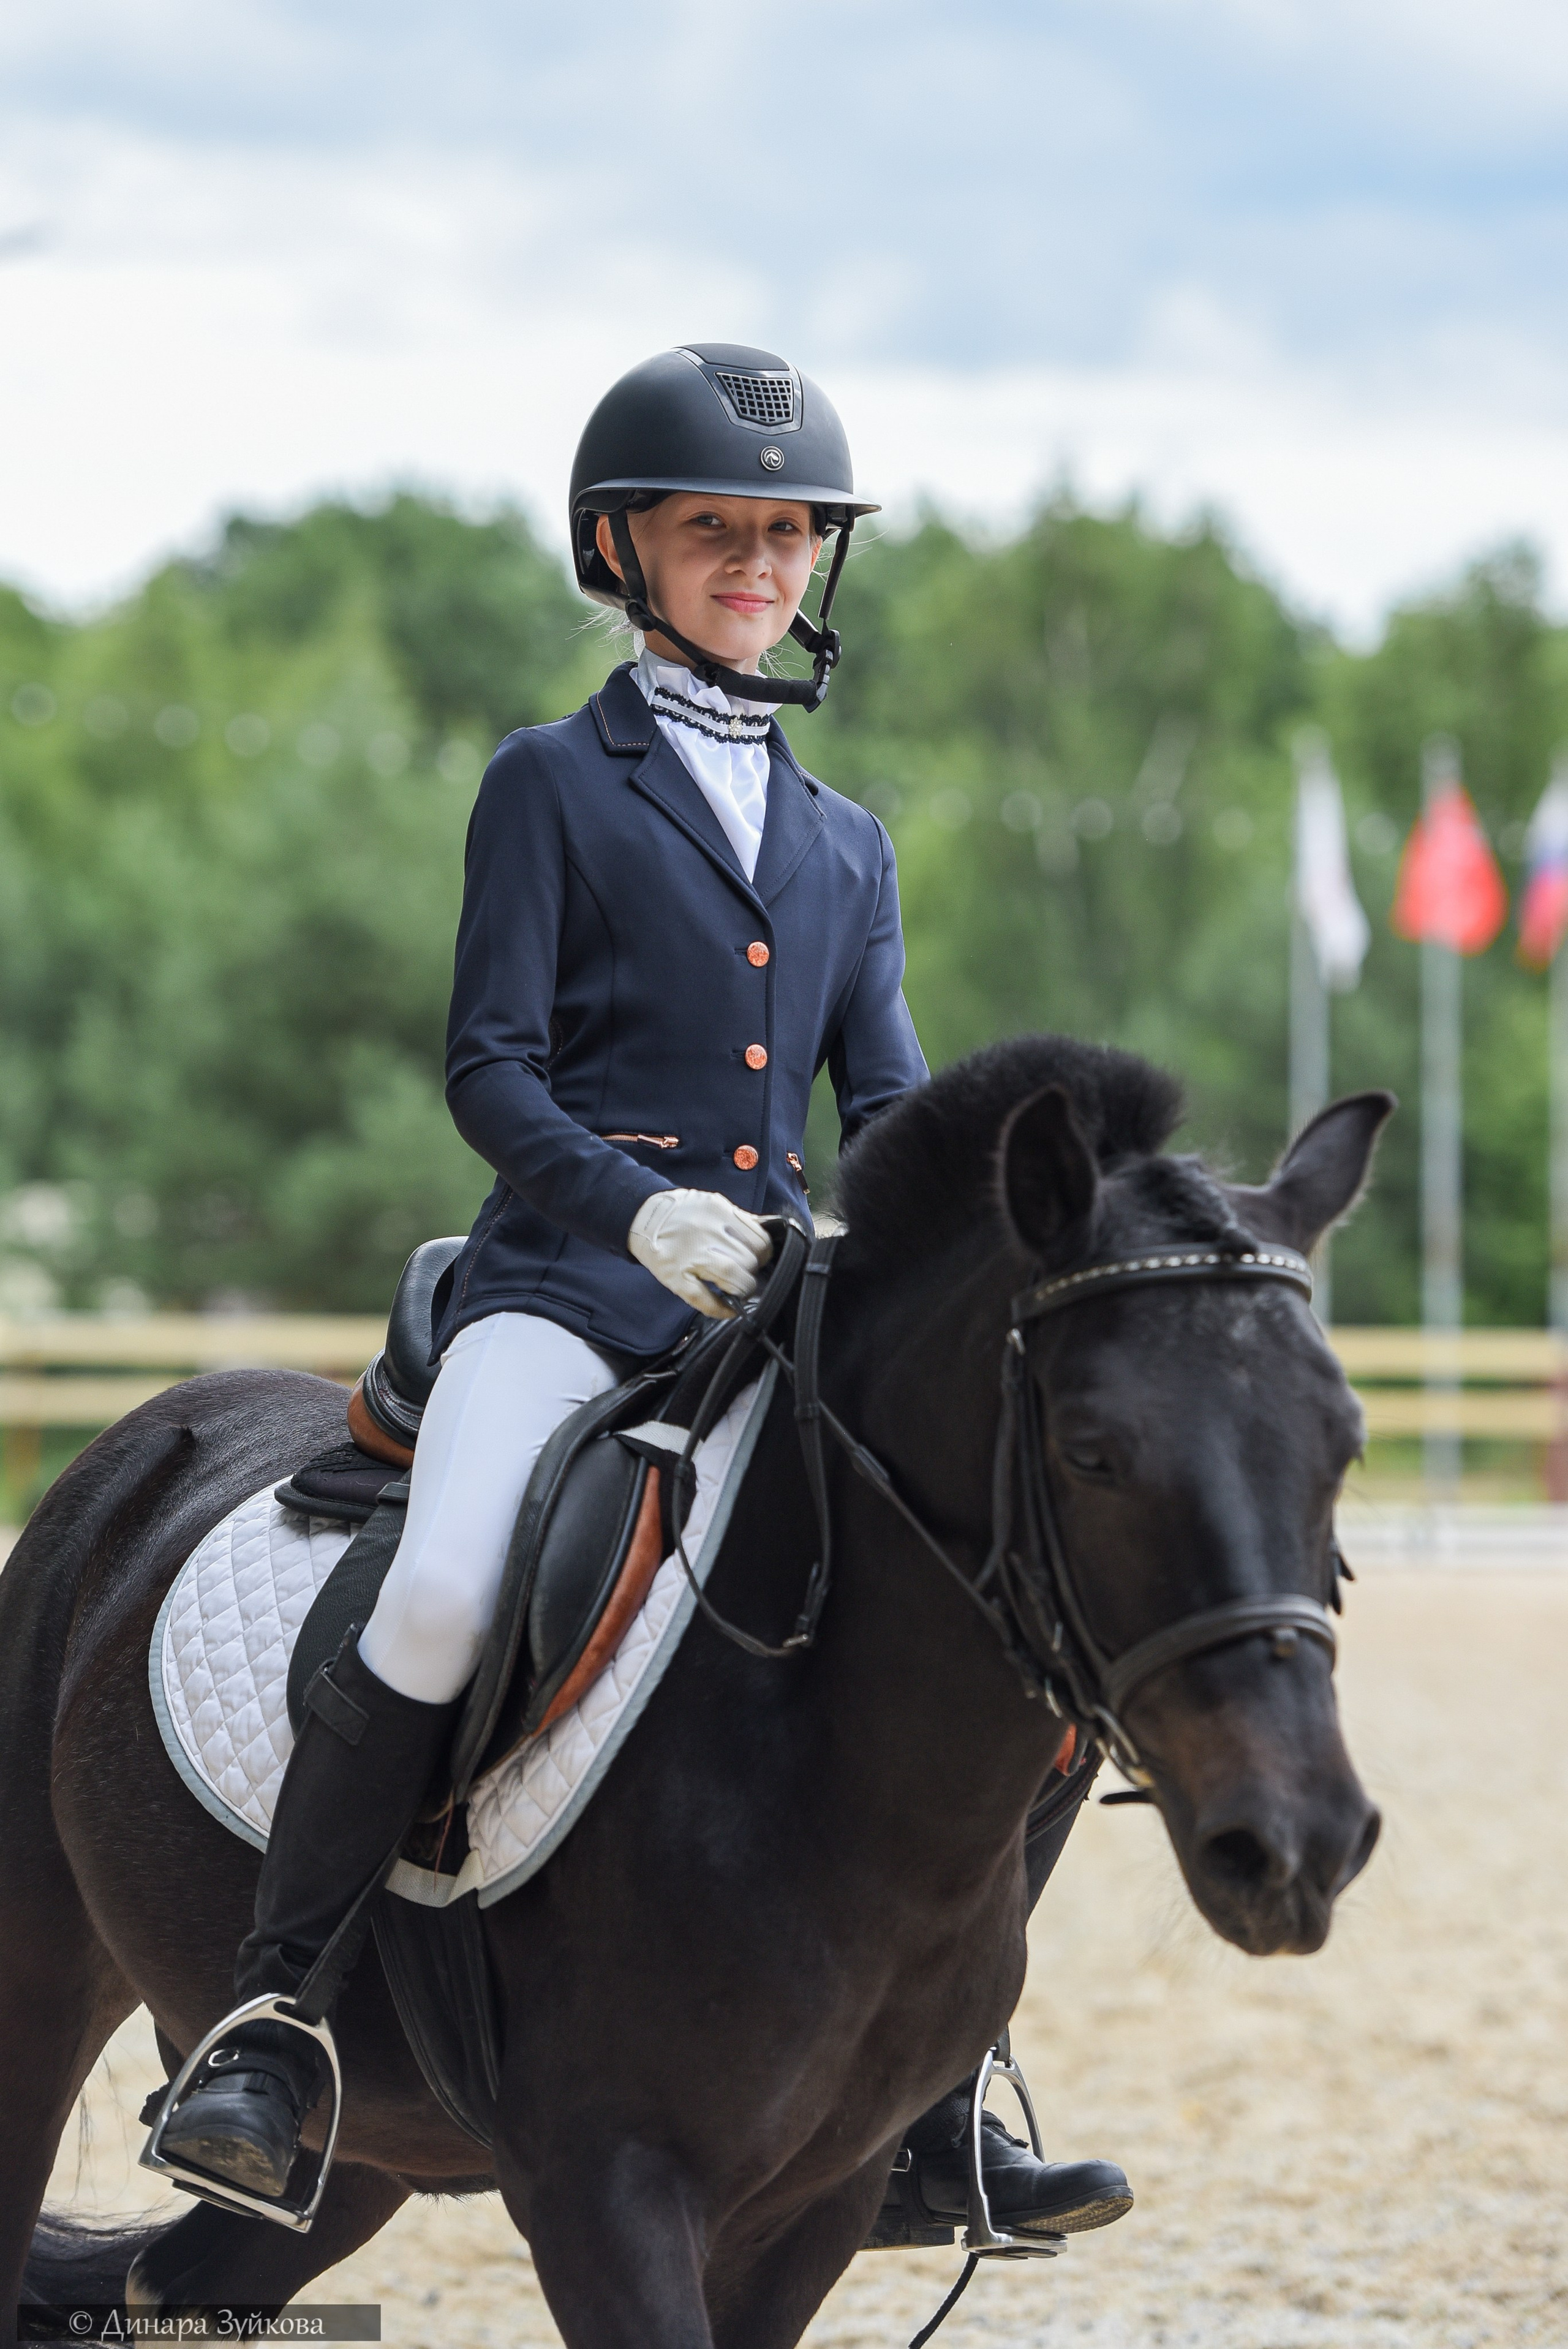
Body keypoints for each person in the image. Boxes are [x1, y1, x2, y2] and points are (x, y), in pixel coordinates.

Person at [156, 342, 1131, 2245]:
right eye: (717, 533)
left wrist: (941, 1230)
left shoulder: (848, 842)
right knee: (442, 1581)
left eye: (785, 537)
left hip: (775, 1313)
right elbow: (489, 1070)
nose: (758, 564)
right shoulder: (550, 786)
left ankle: (932, 2091)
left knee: (1033, 1650)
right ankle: (275, 2019)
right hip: (566, 1294)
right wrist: (634, 1211)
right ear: (630, 550)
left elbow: (902, 1104)